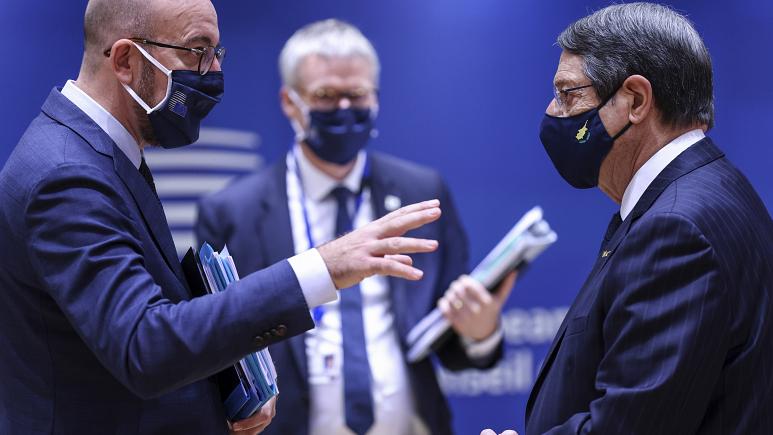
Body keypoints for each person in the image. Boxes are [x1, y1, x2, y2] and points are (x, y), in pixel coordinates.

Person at [0, 1, 446, 434]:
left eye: (216, 53)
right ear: (125, 61)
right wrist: (321, 267)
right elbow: (144, 346)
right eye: (197, 51)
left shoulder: (101, 155)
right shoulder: (67, 176)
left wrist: (229, 391)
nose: (213, 72)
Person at [196, 19, 514, 435]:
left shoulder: (422, 193)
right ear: (290, 102)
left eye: (357, 94)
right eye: (326, 96)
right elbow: (215, 342)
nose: (344, 108)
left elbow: (449, 343)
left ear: (376, 98)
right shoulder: (232, 213)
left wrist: (480, 332)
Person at [482, 3, 773, 435]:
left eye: (568, 94)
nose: (553, 112)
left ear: (635, 99)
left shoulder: (676, 229)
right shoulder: (708, 191)